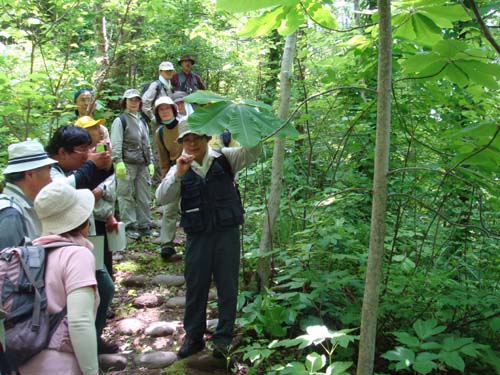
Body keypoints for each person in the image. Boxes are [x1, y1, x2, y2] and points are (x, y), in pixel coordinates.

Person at [155, 120, 261, 359]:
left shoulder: (225, 158)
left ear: (205, 138)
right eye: (186, 140)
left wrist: (247, 123)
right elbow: (162, 198)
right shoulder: (179, 167)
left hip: (226, 233)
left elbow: (254, 150)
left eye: (196, 138)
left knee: (227, 286)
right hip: (198, 236)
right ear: (181, 143)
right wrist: (178, 175)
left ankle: (223, 339)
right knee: (196, 286)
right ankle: (194, 337)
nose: (192, 144)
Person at [46, 125, 117, 354]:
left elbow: (91, 184)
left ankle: (92, 339)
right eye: (81, 150)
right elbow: (65, 192)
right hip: (59, 246)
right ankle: (71, 346)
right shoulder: (50, 172)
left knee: (104, 287)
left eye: (89, 149)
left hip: (84, 239)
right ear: (62, 152)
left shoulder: (73, 169)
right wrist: (90, 166)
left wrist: (104, 166)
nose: (87, 155)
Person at [19, 182, 99, 375]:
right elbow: (79, 322)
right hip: (60, 364)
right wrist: (92, 371)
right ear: (83, 221)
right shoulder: (76, 255)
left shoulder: (24, 254)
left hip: (21, 361)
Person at [110, 89, 154, 240]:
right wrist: (118, 161)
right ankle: (129, 225)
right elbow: (116, 143)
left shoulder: (142, 121)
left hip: (143, 164)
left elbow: (147, 144)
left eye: (136, 100)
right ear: (125, 102)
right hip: (127, 163)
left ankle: (145, 225)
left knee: (144, 195)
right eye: (131, 100)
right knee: (125, 195)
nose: (134, 102)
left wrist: (151, 162)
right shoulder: (120, 120)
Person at [0, 140, 57, 249]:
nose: (51, 178)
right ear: (30, 175)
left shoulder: (21, 206)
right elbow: (8, 264)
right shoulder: (10, 214)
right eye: (48, 170)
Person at [153, 96, 183, 260]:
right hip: (173, 169)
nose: (164, 112)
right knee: (170, 208)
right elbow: (163, 157)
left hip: (190, 166)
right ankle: (166, 244)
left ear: (173, 109)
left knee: (190, 205)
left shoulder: (185, 123)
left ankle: (193, 239)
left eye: (167, 108)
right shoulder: (160, 132)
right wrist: (165, 177)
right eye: (161, 109)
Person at [142, 61, 176, 126]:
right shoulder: (155, 85)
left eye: (170, 71)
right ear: (160, 72)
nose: (169, 73)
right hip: (158, 122)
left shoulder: (170, 85)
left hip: (169, 120)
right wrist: (153, 117)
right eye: (166, 71)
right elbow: (144, 103)